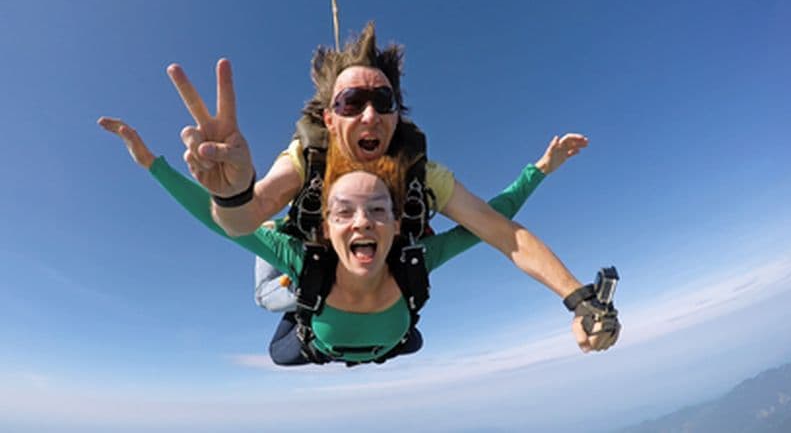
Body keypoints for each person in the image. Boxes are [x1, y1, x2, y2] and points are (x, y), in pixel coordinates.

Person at [165, 24, 602, 341]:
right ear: (329, 120)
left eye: (382, 101)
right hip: (315, 271)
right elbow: (244, 222)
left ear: (396, 116)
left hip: (385, 284)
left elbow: (501, 232)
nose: (369, 114)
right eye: (351, 102)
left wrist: (579, 299)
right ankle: (301, 296)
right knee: (275, 261)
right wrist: (232, 193)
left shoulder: (422, 175)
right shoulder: (306, 158)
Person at [98, 116, 586, 365]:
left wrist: (541, 169)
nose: (361, 223)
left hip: (380, 338)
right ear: (326, 228)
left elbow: (494, 225)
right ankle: (296, 248)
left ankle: (318, 295)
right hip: (317, 335)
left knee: (402, 339)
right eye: (343, 213)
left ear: (397, 224)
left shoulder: (413, 259)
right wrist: (153, 165)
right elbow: (217, 222)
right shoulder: (307, 258)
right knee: (270, 269)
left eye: (378, 211)